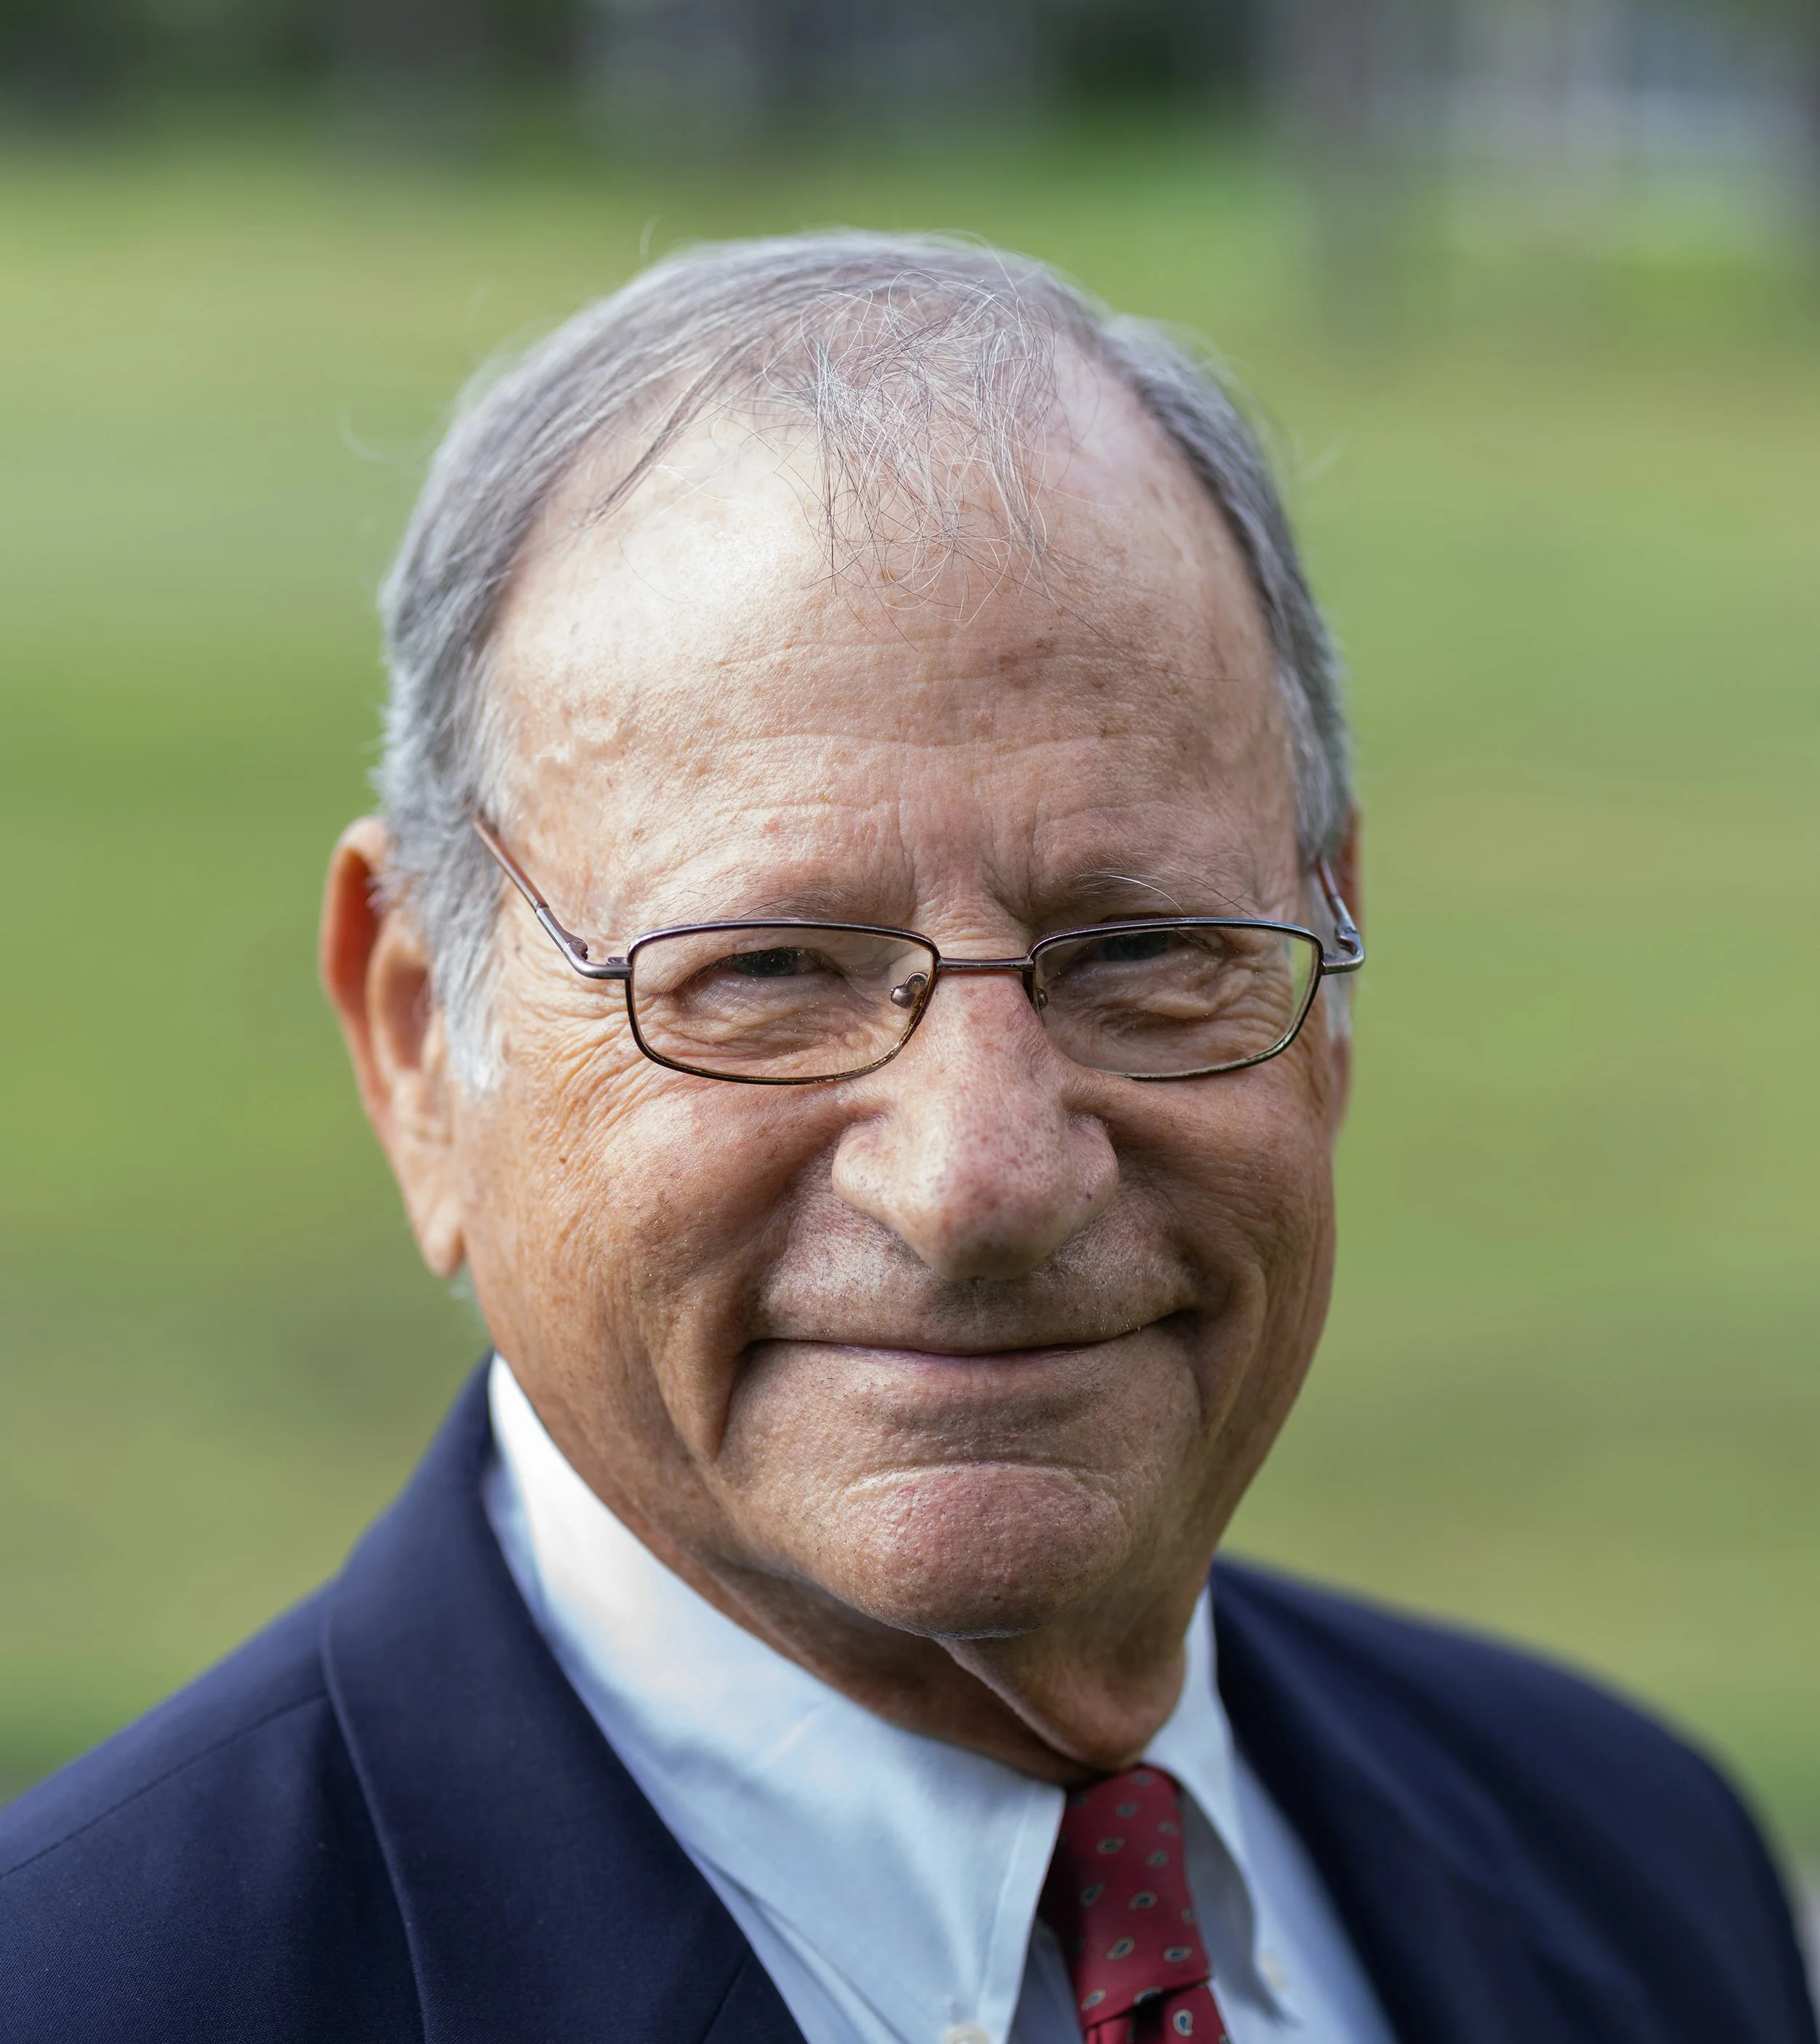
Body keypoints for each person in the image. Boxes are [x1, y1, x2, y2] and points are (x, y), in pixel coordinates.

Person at [1, 233, 1812, 2044]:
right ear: (416, 1042)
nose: (983, 1180)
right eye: (770, 971)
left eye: (1141, 953)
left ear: (1329, 970)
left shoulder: (1631, 1867)